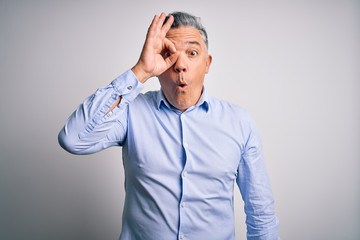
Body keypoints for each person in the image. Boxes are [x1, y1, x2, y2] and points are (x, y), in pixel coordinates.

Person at [58, 11, 279, 240]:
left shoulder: (239, 123)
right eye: (168, 54)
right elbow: (73, 139)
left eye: (192, 53)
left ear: (207, 63)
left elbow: (260, 212)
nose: (180, 65)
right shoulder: (131, 112)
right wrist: (140, 71)